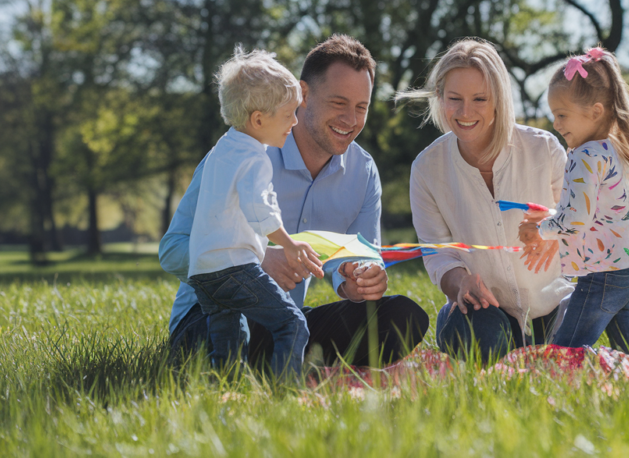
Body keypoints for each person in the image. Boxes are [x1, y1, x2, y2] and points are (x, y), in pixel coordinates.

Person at [162, 35, 429, 368]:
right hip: (211, 317)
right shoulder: (237, 154)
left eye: (361, 107)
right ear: (303, 94)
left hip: (284, 321)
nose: (351, 119)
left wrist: (359, 278)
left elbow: (361, 254)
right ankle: (280, 364)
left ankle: (280, 363)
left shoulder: (363, 171)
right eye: (338, 103)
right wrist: (253, 264)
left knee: (402, 316)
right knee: (233, 333)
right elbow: (172, 250)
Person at [399, 38, 573, 363]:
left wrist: (550, 233)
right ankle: (490, 342)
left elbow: (575, 223)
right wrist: (459, 282)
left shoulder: (544, 149)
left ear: (499, 100)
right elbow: (437, 252)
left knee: (577, 344)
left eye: (480, 98)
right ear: (440, 97)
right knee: (485, 338)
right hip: (484, 309)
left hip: (553, 300)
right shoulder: (427, 167)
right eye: (454, 99)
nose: (466, 112)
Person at [518, 47, 629, 358]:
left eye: (562, 115)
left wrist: (540, 230)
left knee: (566, 348)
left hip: (601, 273)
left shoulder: (584, 156)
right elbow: (595, 211)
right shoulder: (613, 147)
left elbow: (575, 220)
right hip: (627, 267)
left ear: (596, 111)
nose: (557, 124)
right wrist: (551, 217)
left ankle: (553, 390)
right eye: (553, 116)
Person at [186, 48, 322, 376]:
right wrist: (289, 245)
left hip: (203, 272)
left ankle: (226, 392)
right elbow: (258, 207)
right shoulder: (254, 158)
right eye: (289, 113)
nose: (295, 121)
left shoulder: (222, 149)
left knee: (230, 338)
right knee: (292, 324)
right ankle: (286, 392)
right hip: (233, 268)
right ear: (258, 120)